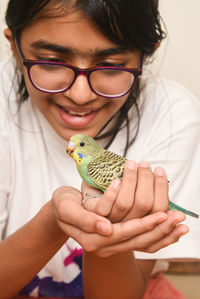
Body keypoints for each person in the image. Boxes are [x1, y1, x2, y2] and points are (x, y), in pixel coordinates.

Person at [0, 0, 200, 298]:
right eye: (52, 60)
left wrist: (105, 231)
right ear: (15, 48)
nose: (80, 95)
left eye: (112, 66)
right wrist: (54, 221)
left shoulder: (173, 115)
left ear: (147, 55)